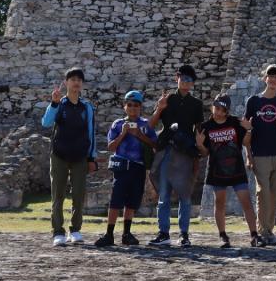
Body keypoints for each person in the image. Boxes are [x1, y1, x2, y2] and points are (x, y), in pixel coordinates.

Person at [147, 64, 205, 248]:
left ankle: (184, 234)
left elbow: (199, 129)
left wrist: (199, 149)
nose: (185, 82)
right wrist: (159, 108)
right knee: (163, 195)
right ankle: (163, 233)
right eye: (183, 78)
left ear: (193, 83)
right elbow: (151, 125)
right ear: (177, 78)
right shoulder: (167, 99)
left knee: (185, 196)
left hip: (185, 153)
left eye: (189, 80)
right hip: (167, 150)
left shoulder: (196, 104)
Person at [41, 67, 98, 246]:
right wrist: (54, 104)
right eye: (72, 79)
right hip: (59, 155)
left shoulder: (86, 107)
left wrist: (92, 157)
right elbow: (46, 123)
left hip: (80, 156)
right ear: (66, 83)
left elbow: (91, 133)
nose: (76, 82)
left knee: (79, 195)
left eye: (79, 80)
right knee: (57, 195)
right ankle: (58, 232)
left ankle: (76, 230)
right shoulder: (60, 104)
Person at [196, 94, 262, 248]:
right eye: (216, 108)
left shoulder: (235, 122)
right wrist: (200, 145)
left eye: (222, 109)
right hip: (216, 171)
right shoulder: (205, 127)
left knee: (246, 202)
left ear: (227, 111)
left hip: (237, 170)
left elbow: (246, 143)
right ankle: (223, 235)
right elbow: (205, 153)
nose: (218, 112)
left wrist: (249, 130)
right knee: (220, 203)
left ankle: (254, 235)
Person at [95, 90, 158, 248]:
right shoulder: (117, 124)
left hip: (138, 167)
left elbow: (155, 144)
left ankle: (126, 233)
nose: (133, 108)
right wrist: (123, 133)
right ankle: (109, 234)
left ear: (140, 107)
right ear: (124, 106)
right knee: (116, 201)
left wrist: (139, 135)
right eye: (129, 105)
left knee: (132, 201)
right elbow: (111, 147)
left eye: (136, 105)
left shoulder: (145, 125)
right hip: (122, 167)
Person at [244, 63, 276, 246]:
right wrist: (248, 154)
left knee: (274, 194)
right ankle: (262, 232)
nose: (272, 79)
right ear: (265, 78)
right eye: (270, 76)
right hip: (259, 153)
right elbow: (247, 131)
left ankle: (269, 231)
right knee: (262, 193)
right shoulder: (253, 101)